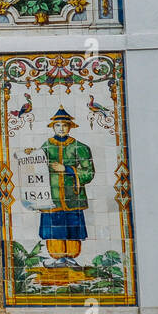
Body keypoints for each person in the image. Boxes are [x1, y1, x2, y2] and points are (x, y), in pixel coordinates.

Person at [40, 107, 96, 268]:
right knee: (53, 227)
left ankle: (71, 257)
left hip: (73, 196)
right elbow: (36, 166)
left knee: (72, 226)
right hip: (52, 196)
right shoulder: (46, 146)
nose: (61, 128)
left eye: (64, 125)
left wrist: (67, 169)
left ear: (70, 127)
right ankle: (57, 258)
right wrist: (31, 155)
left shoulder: (80, 147)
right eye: (58, 125)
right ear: (53, 127)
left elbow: (89, 172)